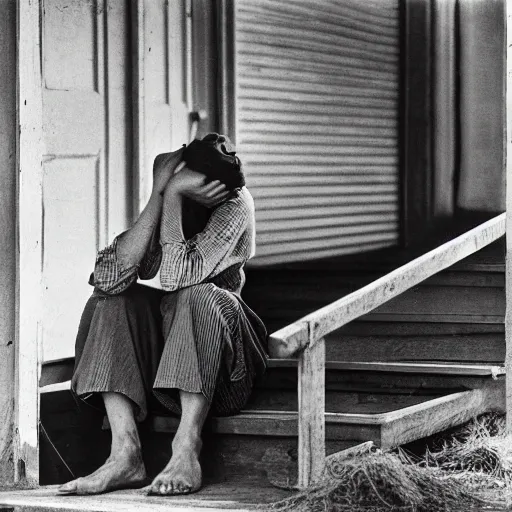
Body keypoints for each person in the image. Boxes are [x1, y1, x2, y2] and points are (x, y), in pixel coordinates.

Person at [58, 133, 268, 496]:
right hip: (165, 370)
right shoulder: (174, 191)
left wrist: (172, 197)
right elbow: (109, 278)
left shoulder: (236, 205)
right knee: (112, 299)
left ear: (210, 186)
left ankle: (186, 447)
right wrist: (160, 194)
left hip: (222, 367)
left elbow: (176, 278)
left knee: (195, 295)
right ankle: (125, 452)